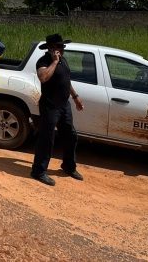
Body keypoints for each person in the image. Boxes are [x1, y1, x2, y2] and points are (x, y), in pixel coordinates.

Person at [30, 33, 84, 186]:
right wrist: (54, 62)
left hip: (64, 105)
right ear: (51, 49)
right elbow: (43, 77)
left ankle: (68, 166)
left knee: (71, 135)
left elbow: (65, 80)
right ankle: (38, 171)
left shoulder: (63, 60)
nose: (62, 49)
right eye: (59, 46)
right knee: (47, 138)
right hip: (50, 106)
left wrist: (75, 96)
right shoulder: (44, 61)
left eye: (63, 46)